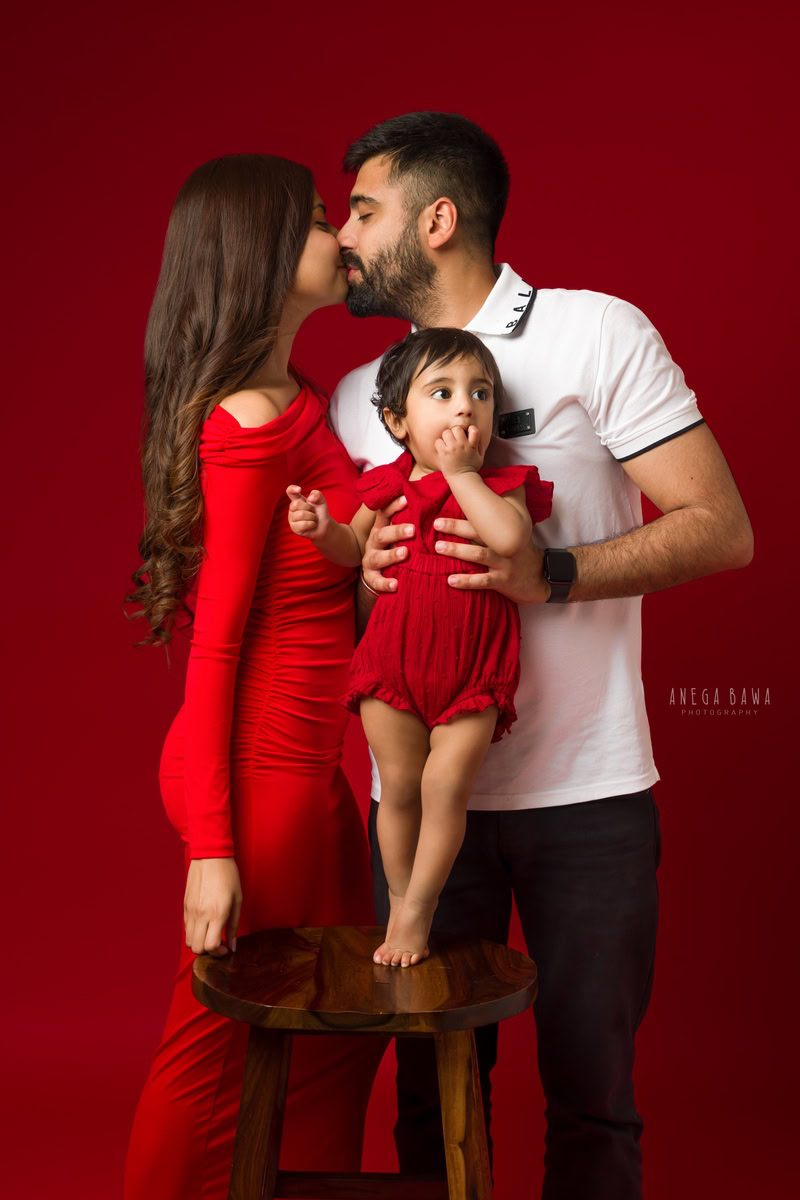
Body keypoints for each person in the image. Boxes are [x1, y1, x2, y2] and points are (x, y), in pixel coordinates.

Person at [328, 112, 754, 1199]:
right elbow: (363, 588)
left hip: (586, 796)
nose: (343, 236)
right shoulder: (357, 394)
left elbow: (719, 526)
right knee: (429, 1096)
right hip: (417, 801)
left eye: (363, 212)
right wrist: (355, 562)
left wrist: (551, 575)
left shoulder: (593, 334)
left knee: (591, 1099)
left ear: (434, 220)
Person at [123, 154, 390, 1200]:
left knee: (336, 1037)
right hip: (249, 779)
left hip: (306, 774)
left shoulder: (292, 396)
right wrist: (210, 851)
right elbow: (217, 642)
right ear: (270, 253)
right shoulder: (242, 422)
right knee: (210, 1051)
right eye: (325, 220)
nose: (343, 238)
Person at [287, 327, 552, 967]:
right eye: (443, 393)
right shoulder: (384, 486)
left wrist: (462, 475)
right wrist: (324, 531)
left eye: (481, 395)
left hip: (472, 670)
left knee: (445, 786)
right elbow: (356, 551)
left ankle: (419, 909)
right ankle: (402, 899)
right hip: (392, 662)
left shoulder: (502, 483)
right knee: (400, 785)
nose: (467, 407)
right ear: (398, 421)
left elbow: (511, 542)